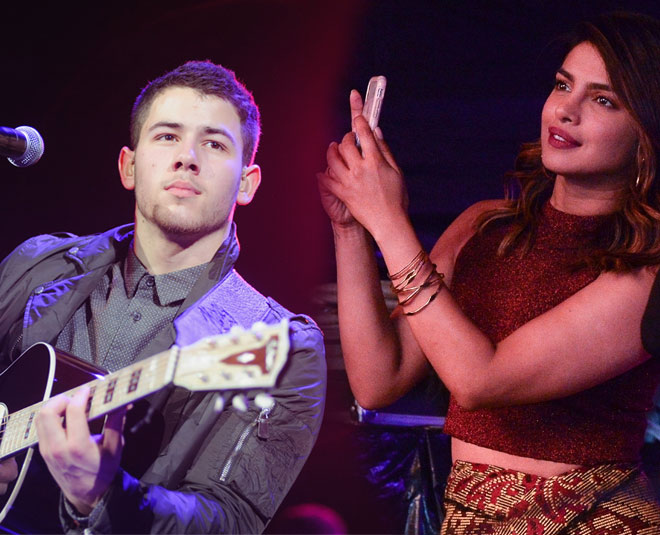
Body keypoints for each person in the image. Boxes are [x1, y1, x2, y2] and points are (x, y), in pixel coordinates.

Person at [318, 11, 660, 534]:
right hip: (468, 518)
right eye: (562, 85)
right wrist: (351, 228)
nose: (565, 110)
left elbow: (480, 379)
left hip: (592, 520)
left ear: (646, 136)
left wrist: (389, 222)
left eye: (603, 100)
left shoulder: (646, 266)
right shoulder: (484, 226)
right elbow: (377, 381)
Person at [0, 60, 326, 534]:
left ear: (247, 183)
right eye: (168, 136)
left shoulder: (282, 343)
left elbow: (232, 519)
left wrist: (102, 496)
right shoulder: (36, 264)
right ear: (129, 167)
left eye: (214, 144)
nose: (187, 157)